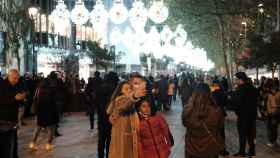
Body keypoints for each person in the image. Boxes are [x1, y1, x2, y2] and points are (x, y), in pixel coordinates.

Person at [107, 74, 146, 158]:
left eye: (130, 88)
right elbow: (125, 104)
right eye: (126, 89)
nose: (128, 90)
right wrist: (134, 96)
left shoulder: (131, 104)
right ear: (120, 91)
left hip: (129, 140)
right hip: (123, 141)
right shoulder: (120, 100)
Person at [182, 83, 224, 158]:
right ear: (209, 94)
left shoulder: (187, 111)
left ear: (194, 94)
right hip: (210, 149)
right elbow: (220, 127)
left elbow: (185, 124)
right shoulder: (216, 111)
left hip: (192, 149)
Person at [0, 69, 26, 158]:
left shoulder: (15, 85)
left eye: (17, 78)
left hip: (12, 119)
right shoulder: (2, 85)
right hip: (4, 120)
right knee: (7, 144)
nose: (16, 80)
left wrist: (22, 97)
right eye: (14, 78)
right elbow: (3, 101)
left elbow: (19, 95)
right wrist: (15, 99)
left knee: (14, 141)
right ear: (8, 76)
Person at [231, 72, 257, 157]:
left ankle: (242, 152)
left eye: (236, 79)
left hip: (243, 116)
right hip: (252, 116)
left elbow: (236, 103)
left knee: (242, 135)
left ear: (240, 80)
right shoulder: (252, 88)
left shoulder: (240, 89)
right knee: (251, 135)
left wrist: (237, 112)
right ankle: (252, 151)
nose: (235, 81)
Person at [29, 78, 59, 151]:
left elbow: (35, 99)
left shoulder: (38, 89)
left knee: (38, 128)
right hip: (50, 112)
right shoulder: (52, 90)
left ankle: (33, 143)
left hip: (41, 111)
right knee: (51, 129)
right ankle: (48, 144)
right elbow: (55, 101)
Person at [96, 72, 119, 158]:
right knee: (110, 139)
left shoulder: (100, 88)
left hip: (102, 119)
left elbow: (97, 103)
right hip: (112, 118)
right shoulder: (115, 89)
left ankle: (100, 156)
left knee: (101, 140)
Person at [211, 79, 230, 156]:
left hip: (212, 114)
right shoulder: (221, 92)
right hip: (220, 114)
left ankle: (214, 148)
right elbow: (225, 102)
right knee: (221, 133)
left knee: (214, 132)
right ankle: (222, 150)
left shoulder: (211, 91)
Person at [266, 80, 280, 147]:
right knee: (274, 127)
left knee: (271, 128)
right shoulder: (278, 93)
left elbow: (271, 104)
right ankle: (274, 140)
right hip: (276, 112)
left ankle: (272, 141)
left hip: (272, 113)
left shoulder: (271, 94)